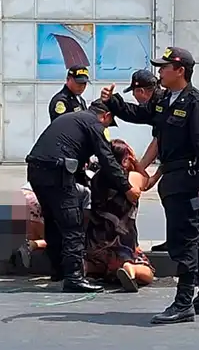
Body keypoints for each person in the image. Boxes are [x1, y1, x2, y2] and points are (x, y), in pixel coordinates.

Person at [101, 47, 199, 324]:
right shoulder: (166, 100)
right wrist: (113, 103)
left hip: (190, 179)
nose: (160, 72)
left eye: (164, 67)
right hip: (174, 179)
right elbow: (140, 114)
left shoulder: (197, 102)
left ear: (180, 71)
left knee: (184, 242)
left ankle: (183, 302)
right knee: (193, 240)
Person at [25, 100, 141, 293]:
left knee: (53, 220)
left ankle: (59, 271)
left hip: (37, 171)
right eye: (108, 123)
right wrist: (126, 187)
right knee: (73, 225)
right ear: (106, 116)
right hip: (57, 173)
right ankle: (74, 278)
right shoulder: (95, 124)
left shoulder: (73, 119)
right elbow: (108, 159)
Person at [84, 138, 156, 292]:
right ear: (125, 159)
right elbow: (147, 181)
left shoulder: (97, 178)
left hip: (96, 242)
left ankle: (86, 268)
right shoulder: (132, 178)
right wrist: (159, 169)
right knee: (148, 273)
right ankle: (130, 268)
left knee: (96, 264)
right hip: (122, 244)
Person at [124, 69, 170, 252]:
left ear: (141, 91)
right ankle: (175, 240)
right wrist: (143, 169)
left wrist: (139, 169)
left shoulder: (162, 103)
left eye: (134, 93)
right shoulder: (160, 101)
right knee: (169, 193)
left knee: (179, 199)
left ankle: (183, 246)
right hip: (176, 160)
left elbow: (157, 143)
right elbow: (158, 140)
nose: (135, 99)